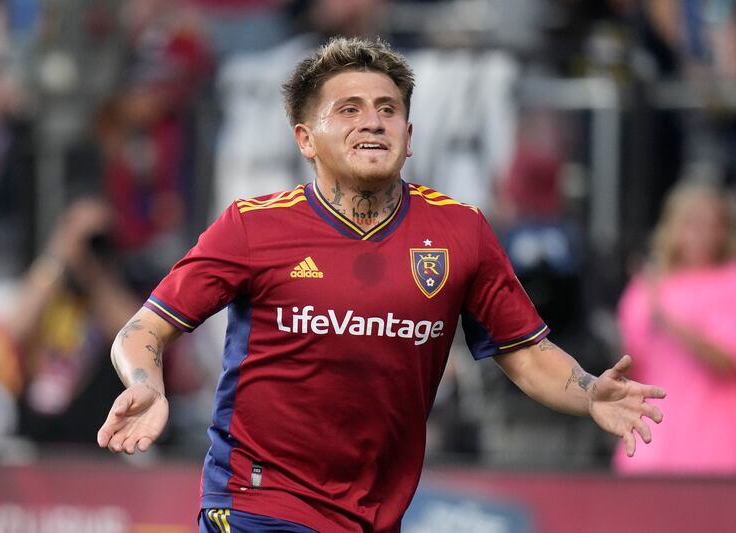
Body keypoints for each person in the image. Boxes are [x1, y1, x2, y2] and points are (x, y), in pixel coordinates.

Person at [98, 37, 666, 533]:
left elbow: (524, 355)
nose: (372, 121)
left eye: (387, 110)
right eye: (349, 109)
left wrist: (590, 390)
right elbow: (142, 329)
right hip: (256, 503)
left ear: (409, 134)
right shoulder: (252, 227)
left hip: (375, 512)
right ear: (305, 139)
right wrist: (147, 384)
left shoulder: (460, 231)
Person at [614, 181, 736, 474]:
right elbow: (629, 370)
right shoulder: (645, 286)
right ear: (672, 227)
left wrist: (670, 323)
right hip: (650, 451)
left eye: (713, 225)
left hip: (719, 454)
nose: (703, 234)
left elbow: (733, 360)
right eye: (692, 223)